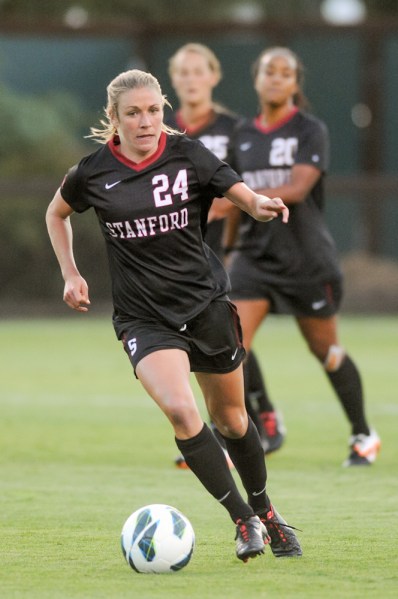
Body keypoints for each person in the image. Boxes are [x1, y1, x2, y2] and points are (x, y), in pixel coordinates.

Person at [45, 68, 302, 561]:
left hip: (205, 305)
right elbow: (56, 213)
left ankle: (266, 510)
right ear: (114, 119)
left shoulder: (187, 154)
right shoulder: (93, 171)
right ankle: (243, 521)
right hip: (144, 318)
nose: (146, 122)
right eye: (133, 113)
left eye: (154, 111)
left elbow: (238, 191)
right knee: (184, 412)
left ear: (164, 110)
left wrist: (258, 204)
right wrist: (71, 273)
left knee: (232, 420)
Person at [224, 46, 381, 467]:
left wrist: (247, 199)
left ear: (295, 83)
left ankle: (363, 433)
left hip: (305, 259)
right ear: (256, 79)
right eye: (268, 72)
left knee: (327, 352)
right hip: (255, 258)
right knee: (230, 341)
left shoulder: (310, 130)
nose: (276, 78)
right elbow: (233, 197)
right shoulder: (242, 134)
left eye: (285, 73)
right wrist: (225, 245)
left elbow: (296, 188)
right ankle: (256, 428)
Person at [166, 43, 285, 465]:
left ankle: (243, 425)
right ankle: (248, 420)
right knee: (219, 338)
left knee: (228, 337)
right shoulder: (158, 127)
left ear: (214, 76)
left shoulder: (233, 129)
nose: (191, 79)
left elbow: (239, 189)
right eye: (183, 71)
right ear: (173, 78)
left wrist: (233, 244)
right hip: (175, 253)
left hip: (217, 248)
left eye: (199, 71)